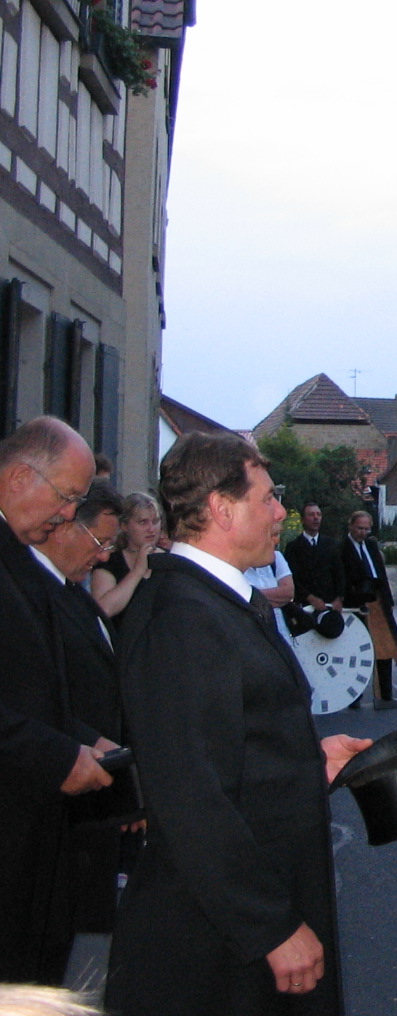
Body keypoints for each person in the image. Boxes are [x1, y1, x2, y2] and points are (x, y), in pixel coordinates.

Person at [106, 432, 370, 1015]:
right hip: (216, 948)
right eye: (268, 498)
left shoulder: (212, 601)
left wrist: (308, 762)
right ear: (223, 509)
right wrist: (270, 926)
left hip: (236, 928)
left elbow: (229, 741)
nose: (280, 511)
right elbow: (190, 797)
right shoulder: (183, 618)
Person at [0, 417, 108, 986]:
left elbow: (31, 687)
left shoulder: (19, 554)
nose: (69, 515)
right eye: (67, 498)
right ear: (20, 477)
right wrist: (56, 754)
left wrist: (84, 740)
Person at [34, 482, 129, 962]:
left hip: (95, 790)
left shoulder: (72, 594)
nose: (104, 556)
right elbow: (38, 701)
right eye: (100, 543)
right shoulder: (37, 596)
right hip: (64, 796)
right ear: (66, 527)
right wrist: (97, 746)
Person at [341, 512, 397, 710]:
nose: (363, 533)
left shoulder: (371, 545)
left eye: (367, 529)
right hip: (356, 603)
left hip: (378, 601)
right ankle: (354, 697)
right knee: (357, 652)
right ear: (350, 526)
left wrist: (388, 601)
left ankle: (385, 695)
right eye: (360, 528)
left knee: (385, 647)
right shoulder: (342, 548)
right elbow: (341, 577)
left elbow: (381, 575)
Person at [87, 492, 161, 621]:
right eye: (143, 522)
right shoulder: (110, 563)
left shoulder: (171, 559)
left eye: (155, 521)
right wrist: (138, 571)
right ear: (124, 526)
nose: (151, 529)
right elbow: (103, 610)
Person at [282, 503, 343, 614]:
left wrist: (339, 598)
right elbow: (292, 578)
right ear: (303, 519)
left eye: (318, 514)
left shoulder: (331, 544)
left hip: (330, 605)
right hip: (305, 607)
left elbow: (339, 573)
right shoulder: (294, 547)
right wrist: (310, 597)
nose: (316, 518)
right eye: (311, 515)